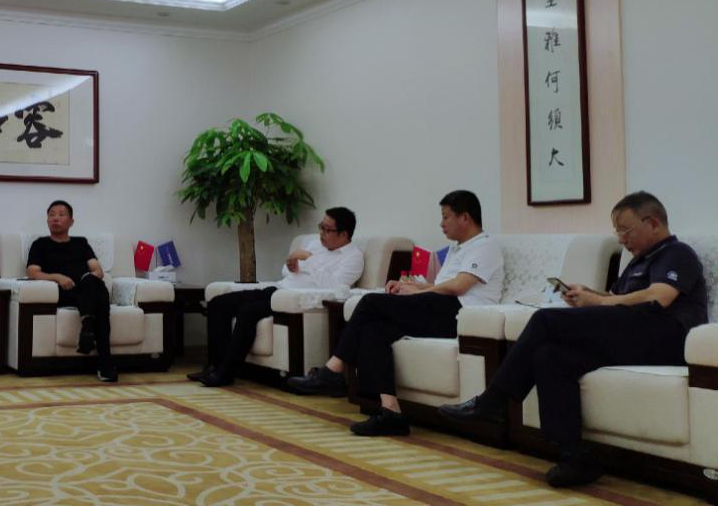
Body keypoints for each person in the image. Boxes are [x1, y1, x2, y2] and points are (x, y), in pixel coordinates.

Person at [439, 191, 708, 488]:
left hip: (664, 338)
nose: (621, 239)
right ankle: (573, 457)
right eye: (617, 232)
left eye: (625, 230)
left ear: (653, 223)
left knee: (545, 320)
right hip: (630, 336)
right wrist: (588, 295)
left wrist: (600, 302)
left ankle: (493, 402)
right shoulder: (636, 262)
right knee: (549, 356)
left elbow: (660, 297)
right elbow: (614, 298)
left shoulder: (676, 253)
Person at [285, 190, 504, 437]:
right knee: (374, 330)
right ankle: (391, 412)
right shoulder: (457, 248)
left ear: (464, 217)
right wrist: (412, 286)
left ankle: (333, 370)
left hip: (459, 314)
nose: (441, 224)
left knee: (370, 302)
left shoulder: (484, 246)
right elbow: (442, 285)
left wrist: (419, 292)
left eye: (446, 217)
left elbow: (458, 287)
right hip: (440, 307)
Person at [190, 207, 364, 387]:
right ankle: (214, 366)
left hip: (294, 302)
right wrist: (291, 265)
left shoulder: (353, 257)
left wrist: (309, 259)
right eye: (321, 227)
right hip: (278, 289)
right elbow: (287, 272)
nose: (321, 233)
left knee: (248, 312)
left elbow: (334, 286)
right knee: (219, 303)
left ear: (344, 234)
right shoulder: (315, 244)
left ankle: (225, 373)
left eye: (327, 230)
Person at [26, 200, 118, 382]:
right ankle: (105, 363)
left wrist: (88, 280)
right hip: (61, 291)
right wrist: (57, 277)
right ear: (47, 220)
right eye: (52, 215)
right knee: (100, 298)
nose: (55, 218)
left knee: (95, 286)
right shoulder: (40, 244)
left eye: (61, 215)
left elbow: (97, 271)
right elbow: (32, 272)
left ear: (71, 222)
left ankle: (88, 327)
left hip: (85, 289)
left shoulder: (81, 243)